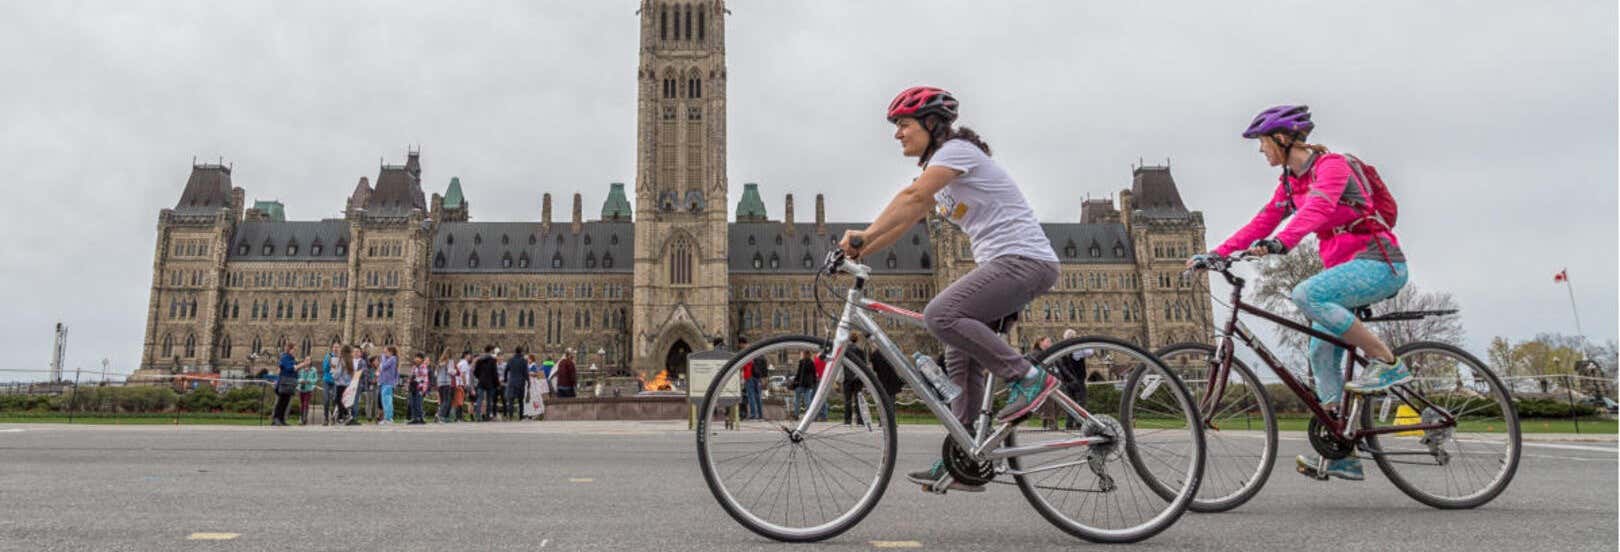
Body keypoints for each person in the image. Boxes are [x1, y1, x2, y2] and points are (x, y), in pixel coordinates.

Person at [839, 86, 1061, 491]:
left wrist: (864, 233)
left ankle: (1028, 377)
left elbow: (912, 196)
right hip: (1003, 264)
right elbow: (909, 218)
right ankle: (965, 459)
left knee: (940, 315)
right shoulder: (940, 173)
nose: (897, 134)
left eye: (903, 125)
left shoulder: (957, 152)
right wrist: (861, 249)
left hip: (1023, 260)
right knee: (960, 356)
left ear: (930, 124)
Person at [1191, 104, 1409, 482]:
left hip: (1378, 262)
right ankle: (1342, 448)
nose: (1261, 152)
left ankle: (1387, 362)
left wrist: (1282, 242)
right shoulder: (1291, 184)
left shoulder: (1332, 166)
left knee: (1307, 294)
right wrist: (1217, 253)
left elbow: (1320, 210)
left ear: (1282, 138)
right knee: (1320, 352)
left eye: (1262, 143)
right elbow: (1263, 220)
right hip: (1343, 273)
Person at [270, 343, 309, 426]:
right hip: (284, 382)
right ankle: (276, 419)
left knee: (286, 401)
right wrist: (302, 364)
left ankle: (282, 419)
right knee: (281, 401)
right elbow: (289, 368)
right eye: (294, 349)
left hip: (290, 383)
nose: (295, 351)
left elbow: (294, 371)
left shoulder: (293, 359)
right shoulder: (285, 357)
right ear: (289, 349)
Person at [473, 346, 501, 421]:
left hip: (481, 381)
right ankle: (487, 416)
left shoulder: (479, 360)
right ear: (491, 351)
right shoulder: (492, 360)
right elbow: (494, 373)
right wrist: (497, 383)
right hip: (490, 382)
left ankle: (478, 416)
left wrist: (480, 377)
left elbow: (475, 372)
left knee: (480, 399)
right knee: (489, 400)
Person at [376, 346, 400, 425]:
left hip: (388, 383)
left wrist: (382, 358)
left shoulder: (393, 359)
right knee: (384, 401)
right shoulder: (388, 359)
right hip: (383, 382)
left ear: (391, 352)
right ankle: (387, 418)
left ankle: (388, 418)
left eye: (385, 352)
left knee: (387, 401)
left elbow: (383, 366)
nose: (384, 353)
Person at [504, 348, 529, 421]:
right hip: (521, 383)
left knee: (511, 400)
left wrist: (506, 379)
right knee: (521, 401)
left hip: (511, 382)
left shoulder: (510, 360)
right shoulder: (524, 361)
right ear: (521, 352)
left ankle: (510, 417)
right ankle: (520, 417)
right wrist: (528, 381)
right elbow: (526, 373)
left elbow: (506, 370)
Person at [791, 350, 818, 419]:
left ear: (805, 355)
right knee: (807, 401)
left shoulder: (802, 362)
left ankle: (796, 415)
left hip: (801, 384)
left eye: (803, 354)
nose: (803, 355)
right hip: (808, 384)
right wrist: (814, 382)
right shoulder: (811, 363)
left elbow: (799, 373)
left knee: (797, 400)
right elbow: (814, 374)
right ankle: (809, 416)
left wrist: (795, 381)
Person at [332, 345, 354, 425]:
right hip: (347, 384)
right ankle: (343, 416)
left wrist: (333, 376)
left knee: (339, 401)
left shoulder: (342, 360)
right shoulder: (351, 360)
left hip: (340, 384)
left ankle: (344, 416)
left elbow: (338, 373)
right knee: (344, 401)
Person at [296, 353, 319, 425]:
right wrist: (300, 380)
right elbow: (297, 377)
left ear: (311, 361)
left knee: (306, 403)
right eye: (306, 360)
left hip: (309, 388)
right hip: (301, 388)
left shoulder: (313, 369)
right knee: (301, 404)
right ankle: (301, 418)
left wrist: (310, 381)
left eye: (309, 360)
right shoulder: (301, 369)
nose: (307, 361)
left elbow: (316, 379)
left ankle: (304, 419)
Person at [408, 352, 430, 424]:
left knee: (418, 403)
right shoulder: (414, 367)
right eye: (415, 357)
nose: (416, 359)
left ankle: (420, 417)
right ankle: (414, 418)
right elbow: (411, 377)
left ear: (421, 359)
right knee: (412, 403)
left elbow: (425, 379)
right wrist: (408, 384)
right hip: (413, 387)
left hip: (420, 388)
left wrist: (424, 389)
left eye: (417, 357)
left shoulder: (423, 367)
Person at [320, 342, 340, 425]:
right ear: (332, 348)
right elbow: (324, 369)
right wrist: (329, 364)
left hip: (336, 381)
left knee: (335, 399)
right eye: (334, 347)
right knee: (326, 399)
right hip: (327, 380)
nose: (335, 349)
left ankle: (333, 416)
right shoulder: (328, 356)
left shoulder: (340, 358)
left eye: (337, 347)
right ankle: (326, 418)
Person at [525, 353, 548, 420]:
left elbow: (536, 373)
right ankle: (530, 411)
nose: (528, 360)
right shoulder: (528, 365)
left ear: (531, 359)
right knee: (529, 397)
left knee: (535, 396)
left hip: (533, 383)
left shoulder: (533, 365)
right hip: (528, 382)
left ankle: (537, 411)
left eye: (529, 359)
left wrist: (531, 373)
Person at [434, 350, 455, 423]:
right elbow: (450, 371)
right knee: (446, 401)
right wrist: (455, 371)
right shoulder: (450, 361)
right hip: (446, 382)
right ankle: (439, 415)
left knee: (442, 400)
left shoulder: (439, 362)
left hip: (440, 383)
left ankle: (439, 416)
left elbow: (435, 373)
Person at [455, 351, 474, 421]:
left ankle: (459, 416)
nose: (470, 357)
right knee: (460, 401)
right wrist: (465, 384)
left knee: (460, 401)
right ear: (466, 355)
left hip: (459, 384)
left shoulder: (461, 362)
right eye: (469, 355)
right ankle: (458, 417)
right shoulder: (464, 363)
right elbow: (463, 374)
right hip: (462, 384)